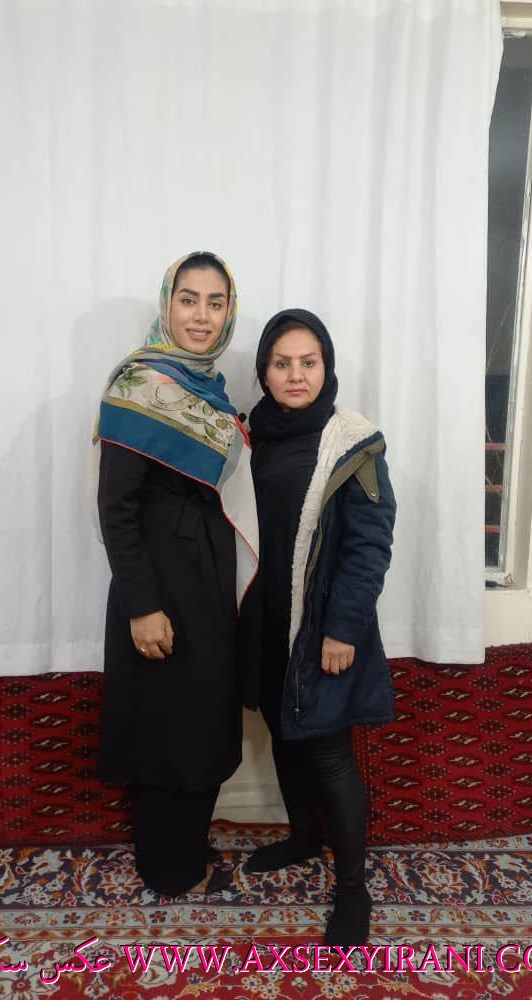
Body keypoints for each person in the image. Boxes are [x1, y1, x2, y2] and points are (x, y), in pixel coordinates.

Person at [94, 251, 258, 897]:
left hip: (207, 584)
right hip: (159, 586)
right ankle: (170, 869)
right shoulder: (139, 387)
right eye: (188, 299)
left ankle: (186, 848)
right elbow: (116, 508)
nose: (201, 316)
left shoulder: (211, 392)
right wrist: (142, 606)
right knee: (164, 723)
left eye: (215, 303)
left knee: (202, 718)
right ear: (168, 305)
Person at [244, 308, 396, 946]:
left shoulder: (352, 443)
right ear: (264, 371)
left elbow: (369, 546)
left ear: (326, 367)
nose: (296, 375)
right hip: (264, 621)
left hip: (324, 626)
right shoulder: (251, 433)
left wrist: (343, 630)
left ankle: (354, 890)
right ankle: (305, 838)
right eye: (282, 364)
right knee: (284, 734)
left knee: (329, 752)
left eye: (309, 362)